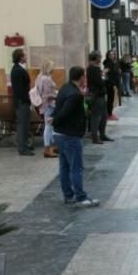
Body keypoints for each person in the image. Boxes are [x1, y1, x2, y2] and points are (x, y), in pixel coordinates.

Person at [52, 66, 99, 208]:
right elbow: (65, 112)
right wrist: (55, 120)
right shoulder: (75, 94)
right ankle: (81, 197)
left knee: (64, 166)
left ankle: (69, 195)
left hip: (59, 134)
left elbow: (58, 109)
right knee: (76, 167)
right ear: (82, 77)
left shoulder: (65, 88)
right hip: (69, 135)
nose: (85, 79)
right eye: (84, 76)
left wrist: (54, 122)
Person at [10, 48, 34, 156]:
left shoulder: (17, 69)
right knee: (23, 125)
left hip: (22, 101)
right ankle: (22, 148)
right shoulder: (18, 71)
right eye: (24, 55)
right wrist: (28, 101)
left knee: (24, 125)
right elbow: (21, 89)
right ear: (20, 57)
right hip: (22, 101)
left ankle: (24, 145)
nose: (26, 57)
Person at [34, 60, 58, 158]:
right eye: (52, 67)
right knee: (49, 126)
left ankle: (51, 147)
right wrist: (57, 95)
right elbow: (49, 95)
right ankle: (47, 148)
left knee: (49, 126)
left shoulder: (39, 77)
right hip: (49, 104)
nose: (54, 70)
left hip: (43, 105)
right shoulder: (46, 79)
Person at [86, 51, 111, 144]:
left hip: (100, 95)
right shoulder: (93, 68)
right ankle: (95, 137)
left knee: (104, 116)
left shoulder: (95, 68)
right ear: (95, 58)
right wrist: (103, 75)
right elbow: (99, 82)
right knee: (96, 116)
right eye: (99, 57)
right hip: (96, 95)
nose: (101, 58)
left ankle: (102, 135)